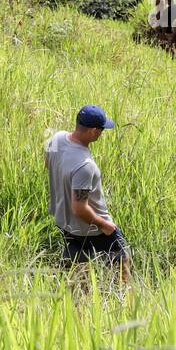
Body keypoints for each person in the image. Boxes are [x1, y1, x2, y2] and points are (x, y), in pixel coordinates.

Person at [45, 105, 130, 282]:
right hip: (91, 230)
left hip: (63, 221)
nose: (101, 133)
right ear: (93, 131)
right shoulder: (85, 166)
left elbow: (48, 164)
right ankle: (126, 302)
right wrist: (105, 225)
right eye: (101, 130)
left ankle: (77, 301)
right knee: (122, 261)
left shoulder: (56, 139)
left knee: (79, 269)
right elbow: (80, 208)